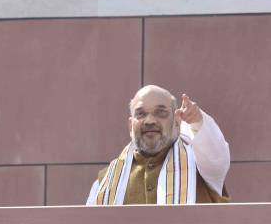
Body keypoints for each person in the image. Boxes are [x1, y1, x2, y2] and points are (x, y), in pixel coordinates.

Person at [86, 85, 230, 205]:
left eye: (160, 113)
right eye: (141, 114)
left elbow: (216, 156)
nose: (149, 121)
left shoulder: (201, 165)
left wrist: (198, 121)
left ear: (177, 122)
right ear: (130, 126)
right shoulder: (104, 181)